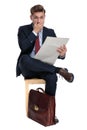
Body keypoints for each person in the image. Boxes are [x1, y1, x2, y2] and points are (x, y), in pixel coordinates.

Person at [16, 4, 74, 123]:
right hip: (29, 68)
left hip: (44, 68)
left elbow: (57, 53)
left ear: (44, 17)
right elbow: (23, 47)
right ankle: (58, 70)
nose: (39, 20)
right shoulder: (23, 29)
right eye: (36, 17)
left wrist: (62, 54)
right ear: (31, 17)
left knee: (52, 77)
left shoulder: (50, 31)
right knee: (25, 59)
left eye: (41, 17)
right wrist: (34, 32)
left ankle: (49, 112)